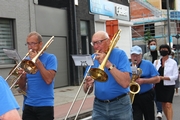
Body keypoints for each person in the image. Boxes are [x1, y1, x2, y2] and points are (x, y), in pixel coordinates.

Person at [83, 31, 133, 120]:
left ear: (108, 41)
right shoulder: (93, 57)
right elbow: (87, 90)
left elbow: (125, 83)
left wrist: (108, 64)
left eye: (99, 42)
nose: (95, 47)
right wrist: (88, 84)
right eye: (93, 43)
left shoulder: (120, 54)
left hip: (120, 105)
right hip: (99, 106)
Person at [18, 31, 58, 120]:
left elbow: (48, 80)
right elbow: (21, 87)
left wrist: (37, 62)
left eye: (33, 43)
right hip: (28, 104)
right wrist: (22, 77)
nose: (30, 47)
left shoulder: (51, 58)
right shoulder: (26, 60)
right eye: (28, 44)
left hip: (45, 105)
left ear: (40, 44)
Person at [130, 45, 160, 120]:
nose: (135, 58)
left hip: (147, 95)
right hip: (134, 96)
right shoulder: (128, 65)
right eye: (133, 55)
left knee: (149, 117)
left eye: (137, 55)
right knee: (136, 117)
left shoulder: (148, 64)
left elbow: (157, 79)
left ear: (141, 55)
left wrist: (144, 81)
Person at [153, 44, 178, 120]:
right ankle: (168, 118)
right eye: (161, 49)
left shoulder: (173, 62)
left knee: (168, 104)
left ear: (168, 51)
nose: (163, 51)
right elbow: (153, 73)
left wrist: (163, 78)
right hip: (159, 86)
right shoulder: (156, 62)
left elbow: (175, 76)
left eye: (165, 49)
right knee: (163, 104)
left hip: (169, 86)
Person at [142, 39, 163, 119]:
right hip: (149, 77)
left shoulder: (160, 55)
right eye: (151, 44)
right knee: (151, 95)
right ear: (148, 46)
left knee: (158, 95)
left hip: (158, 76)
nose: (152, 45)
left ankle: (159, 111)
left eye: (154, 44)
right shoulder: (146, 55)